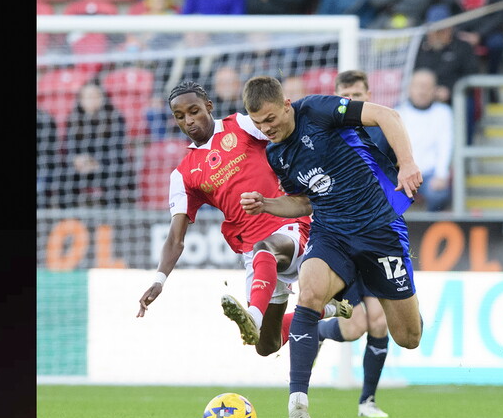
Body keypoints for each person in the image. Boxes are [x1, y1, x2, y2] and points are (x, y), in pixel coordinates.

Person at [240, 76, 424, 418]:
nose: (266, 128)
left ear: (287, 104)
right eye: (258, 123)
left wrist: (406, 164)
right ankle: (298, 406)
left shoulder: (318, 110)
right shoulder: (276, 154)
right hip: (332, 234)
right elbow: (305, 201)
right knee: (307, 293)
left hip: (379, 232)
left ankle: (329, 313)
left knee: (408, 336)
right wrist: (267, 204)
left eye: (271, 119)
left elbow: (387, 115)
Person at [136, 81, 352, 357]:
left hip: (290, 228)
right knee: (266, 345)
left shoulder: (241, 125)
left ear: (209, 107)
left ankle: (253, 315)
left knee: (267, 249)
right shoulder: (183, 175)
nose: (189, 121)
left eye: (194, 111)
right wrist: (159, 279)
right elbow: (176, 238)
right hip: (255, 252)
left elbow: (285, 130)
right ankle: (327, 309)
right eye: (180, 117)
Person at [328, 69, 397, 418]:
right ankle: (315, 326)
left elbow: (396, 180)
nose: (352, 100)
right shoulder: (328, 134)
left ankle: (367, 401)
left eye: (358, 94)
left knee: (380, 322)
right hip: (341, 237)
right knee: (355, 327)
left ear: (368, 93)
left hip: (377, 236)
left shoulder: (383, 132)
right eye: (346, 95)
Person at [414, 3, 480, 144]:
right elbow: (414, 73)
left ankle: (464, 149)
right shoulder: (420, 48)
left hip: (454, 95)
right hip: (424, 95)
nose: (437, 34)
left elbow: (471, 73)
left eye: (441, 30)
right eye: (434, 30)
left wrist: (450, 89)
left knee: (466, 104)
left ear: (450, 29)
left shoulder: (462, 47)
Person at [63, 80, 131, 208]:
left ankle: (113, 214)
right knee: (64, 176)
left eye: (95, 96)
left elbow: (117, 148)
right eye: (88, 97)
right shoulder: (73, 119)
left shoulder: (115, 118)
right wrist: (77, 160)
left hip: (106, 164)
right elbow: (69, 148)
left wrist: (97, 163)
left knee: (114, 174)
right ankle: (70, 219)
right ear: (81, 100)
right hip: (81, 166)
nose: (92, 100)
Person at [394, 68, 454, 212]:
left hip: (429, 174)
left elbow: (445, 146)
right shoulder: (397, 113)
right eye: (418, 86)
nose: (422, 91)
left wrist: (441, 175)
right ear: (410, 88)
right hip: (401, 173)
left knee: (438, 194)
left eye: (426, 87)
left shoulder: (444, 113)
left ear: (434, 89)